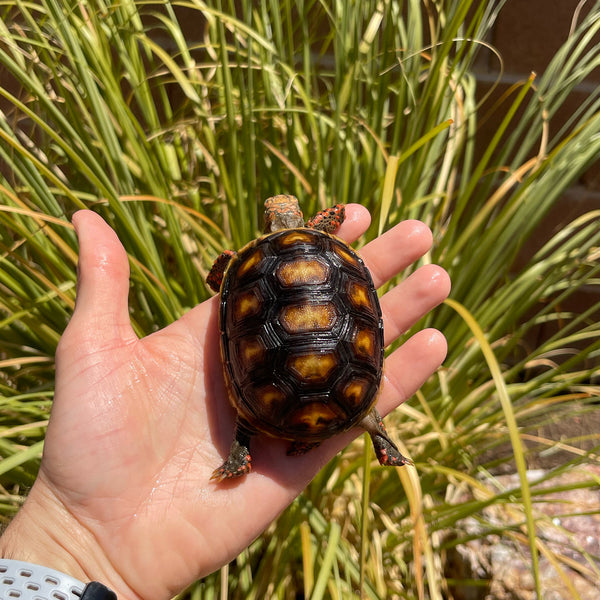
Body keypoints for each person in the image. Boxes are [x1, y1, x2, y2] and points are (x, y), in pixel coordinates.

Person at [0, 206, 450, 600]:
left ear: (272, 222)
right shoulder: (331, 248)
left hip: (267, 397)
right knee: (359, 392)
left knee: (255, 401)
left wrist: (67, 553)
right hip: (348, 392)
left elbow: (220, 282)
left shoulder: (242, 264)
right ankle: (370, 424)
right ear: (316, 222)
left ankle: (245, 442)